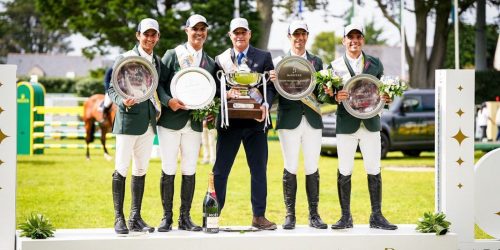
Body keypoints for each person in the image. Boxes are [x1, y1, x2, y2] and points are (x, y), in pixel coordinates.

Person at [327, 23, 397, 230]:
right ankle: (345, 217)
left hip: (371, 123)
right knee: (345, 169)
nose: (354, 41)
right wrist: (334, 97)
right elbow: (326, 95)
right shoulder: (335, 65)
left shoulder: (375, 63)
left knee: (374, 168)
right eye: (350, 37)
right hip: (346, 123)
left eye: (358, 37)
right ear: (344, 40)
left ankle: (376, 216)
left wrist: (388, 96)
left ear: (363, 40)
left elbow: (384, 92)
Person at [212, 17, 277, 230]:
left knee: (258, 170)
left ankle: (259, 216)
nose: (239, 36)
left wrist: (266, 104)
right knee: (220, 170)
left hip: (256, 123)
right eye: (235, 33)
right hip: (230, 122)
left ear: (249, 34)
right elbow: (214, 88)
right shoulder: (220, 60)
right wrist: (226, 95)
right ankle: (213, 215)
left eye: (243, 32)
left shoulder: (264, 56)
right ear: (230, 35)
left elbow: (271, 85)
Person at [156, 14, 216, 232]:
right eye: (195, 29)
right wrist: (168, 101)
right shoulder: (173, 55)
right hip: (170, 121)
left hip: (194, 124)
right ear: (187, 30)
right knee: (169, 168)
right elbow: (159, 85)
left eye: (203, 29)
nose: (199, 33)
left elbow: (212, 93)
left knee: (190, 169)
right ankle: (166, 217)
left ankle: (185, 217)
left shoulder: (209, 62)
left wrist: (212, 112)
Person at [269, 20, 327, 230]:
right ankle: (290, 215)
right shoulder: (279, 62)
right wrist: (271, 80)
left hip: (312, 119)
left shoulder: (317, 61)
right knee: (290, 165)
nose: (299, 38)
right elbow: (273, 95)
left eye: (303, 34)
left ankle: (314, 215)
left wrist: (328, 91)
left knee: (312, 166)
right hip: (289, 120)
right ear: (289, 37)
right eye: (296, 34)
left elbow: (321, 95)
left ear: (307, 36)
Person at [108, 18, 163, 234]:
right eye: (146, 34)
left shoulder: (156, 61)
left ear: (157, 37)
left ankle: (135, 217)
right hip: (128, 120)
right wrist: (122, 101)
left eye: (153, 34)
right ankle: (118, 218)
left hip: (149, 122)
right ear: (138, 35)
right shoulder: (125, 58)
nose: (149, 38)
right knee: (121, 167)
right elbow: (112, 88)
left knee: (141, 169)